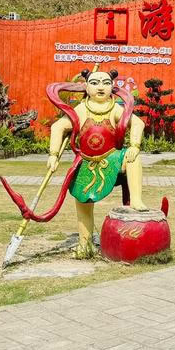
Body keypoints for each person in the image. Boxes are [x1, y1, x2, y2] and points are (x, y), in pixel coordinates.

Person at [47, 67, 146, 258]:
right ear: (86, 86)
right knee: (83, 203)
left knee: (133, 158)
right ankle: (85, 244)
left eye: (106, 83)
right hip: (86, 163)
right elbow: (58, 127)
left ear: (112, 87)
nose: (101, 87)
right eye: (95, 83)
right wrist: (53, 155)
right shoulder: (81, 109)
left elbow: (137, 123)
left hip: (112, 158)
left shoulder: (114, 108)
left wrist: (134, 145)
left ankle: (136, 199)